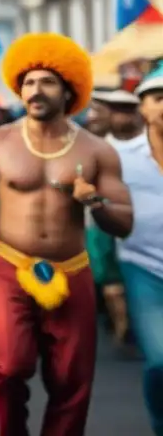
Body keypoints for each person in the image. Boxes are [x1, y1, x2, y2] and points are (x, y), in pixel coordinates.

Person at [0, 32, 134, 436]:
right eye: (29, 81)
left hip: (72, 270)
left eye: (47, 81)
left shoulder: (96, 151)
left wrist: (95, 203)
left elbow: (124, 222)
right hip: (9, 267)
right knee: (10, 366)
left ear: (69, 90)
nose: (35, 90)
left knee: (71, 381)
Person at [121, 66, 163, 434]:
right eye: (159, 98)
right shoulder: (120, 156)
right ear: (143, 108)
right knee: (160, 362)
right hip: (144, 267)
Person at [85, 88, 141, 352]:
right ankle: (123, 327)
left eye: (128, 111)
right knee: (109, 276)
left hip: (143, 222)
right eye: (116, 111)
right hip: (102, 221)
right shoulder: (96, 147)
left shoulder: (150, 144)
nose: (122, 117)